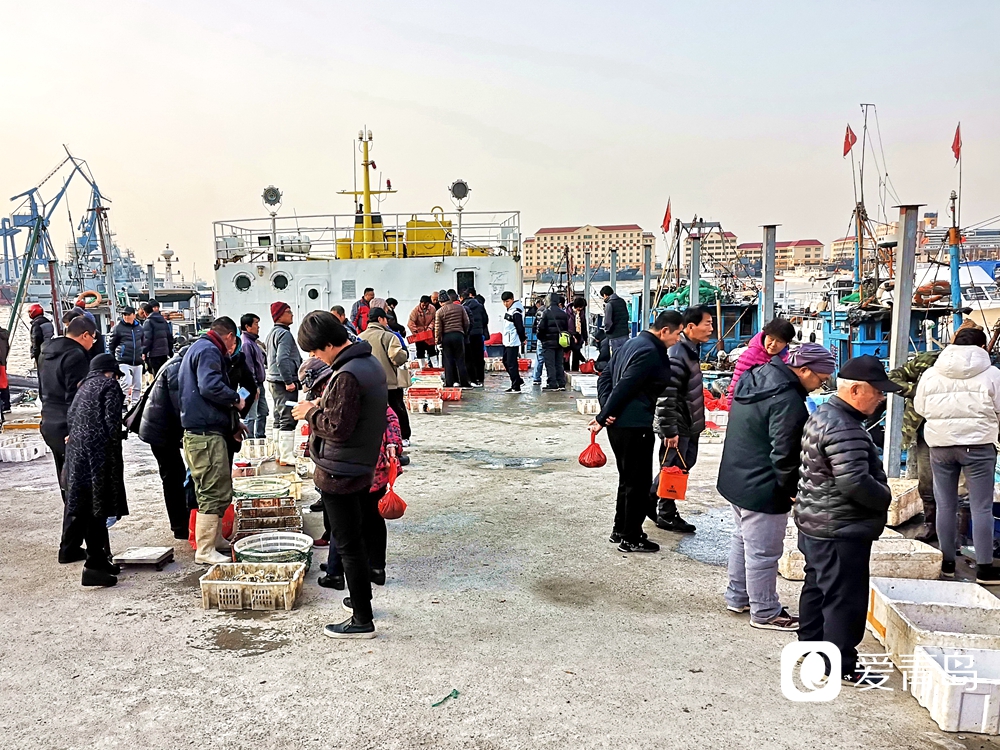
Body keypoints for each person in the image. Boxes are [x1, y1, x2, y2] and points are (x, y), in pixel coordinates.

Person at [795, 355, 901, 686]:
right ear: (856, 390)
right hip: (839, 527)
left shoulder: (824, 414)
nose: (882, 398)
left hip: (816, 522)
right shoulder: (845, 427)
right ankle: (840, 664)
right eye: (878, 392)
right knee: (844, 599)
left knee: (817, 587)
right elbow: (854, 481)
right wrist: (884, 497)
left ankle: (811, 648)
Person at [718, 344, 835, 631]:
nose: (820, 386)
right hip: (762, 483)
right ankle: (766, 611)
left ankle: (738, 596)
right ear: (804, 370)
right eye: (820, 379)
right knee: (764, 552)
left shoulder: (755, 375)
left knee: (743, 540)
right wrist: (790, 488)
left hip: (736, 474)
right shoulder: (788, 399)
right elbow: (783, 452)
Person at [292, 311, 388, 639]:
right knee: (355, 540)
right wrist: (326, 402)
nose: (316, 357)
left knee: (347, 544)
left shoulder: (347, 373)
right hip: (359, 465)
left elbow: (338, 427)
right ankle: (362, 600)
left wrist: (311, 412)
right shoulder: (368, 363)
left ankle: (362, 620)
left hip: (340, 472)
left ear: (331, 344)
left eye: (317, 351)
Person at [591, 311, 683, 552]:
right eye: (677, 334)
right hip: (634, 426)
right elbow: (624, 385)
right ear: (664, 331)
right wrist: (604, 415)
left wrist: (608, 410)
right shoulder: (651, 352)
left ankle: (620, 528)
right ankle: (631, 537)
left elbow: (606, 379)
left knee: (627, 479)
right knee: (639, 483)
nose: (678, 339)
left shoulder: (631, 342)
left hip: (620, 425)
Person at [914, 327, 1000, 584]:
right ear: (983, 347)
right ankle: (985, 569)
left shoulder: (931, 374)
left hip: (941, 446)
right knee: (981, 507)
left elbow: (921, 407)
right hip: (979, 446)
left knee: (946, 504)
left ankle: (948, 563)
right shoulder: (993, 373)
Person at [179, 317, 245, 565]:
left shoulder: (199, 348)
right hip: (204, 435)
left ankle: (215, 539)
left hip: (207, 431)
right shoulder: (208, 350)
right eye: (233, 342)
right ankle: (205, 549)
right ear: (229, 336)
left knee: (218, 488)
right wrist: (234, 397)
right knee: (210, 490)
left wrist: (232, 423)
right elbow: (210, 386)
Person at [64, 354, 129, 587]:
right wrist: (122, 433)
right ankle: (92, 566)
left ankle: (99, 560)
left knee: (90, 508)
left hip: (77, 456)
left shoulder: (83, 387)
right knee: (98, 509)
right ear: (110, 372)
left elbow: (71, 418)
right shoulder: (109, 385)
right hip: (98, 457)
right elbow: (112, 424)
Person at [652, 305, 715, 533]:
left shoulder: (689, 351)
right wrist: (670, 430)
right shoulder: (678, 353)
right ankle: (666, 514)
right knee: (673, 468)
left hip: (688, 422)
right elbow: (666, 394)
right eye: (707, 323)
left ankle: (652, 501)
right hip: (678, 423)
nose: (711, 329)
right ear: (690, 327)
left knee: (681, 465)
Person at [40, 315, 96, 563]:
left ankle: (73, 543)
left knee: (68, 485)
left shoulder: (46, 353)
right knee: (79, 488)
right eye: (92, 338)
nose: (93, 344)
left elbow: (45, 391)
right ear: (84, 335)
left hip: (49, 422)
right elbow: (77, 399)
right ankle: (69, 547)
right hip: (67, 426)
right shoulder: (76, 356)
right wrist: (76, 430)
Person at [888, 347, 942, 542]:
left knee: (961, 489)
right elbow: (893, 376)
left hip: (961, 436)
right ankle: (931, 525)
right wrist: (916, 392)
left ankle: (958, 533)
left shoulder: (981, 368)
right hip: (925, 432)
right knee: (926, 482)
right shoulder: (928, 361)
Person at [137, 345, 192, 539]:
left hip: (162, 428)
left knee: (175, 475)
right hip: (159, 431)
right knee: (173, 477)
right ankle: (180, 526)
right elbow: (180, 406)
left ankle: (182, 522)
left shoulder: (177, 362)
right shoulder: (178, 368)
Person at [360, 307, 411, 443]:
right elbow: (397, 356)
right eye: (385, 319)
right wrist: (404, 355)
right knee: (397, 409)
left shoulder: (360, 338)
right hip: (389, 382)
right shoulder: (388, 336)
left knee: (373, 412)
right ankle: (403, 437)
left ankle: (378, 439)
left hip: (368, 383)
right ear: (380, 319)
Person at [265, 301, 303, 466]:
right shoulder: (284, 334)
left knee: (278, 417)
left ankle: (279, 453)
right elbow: (282, 358)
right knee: (288, 417)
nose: (292, 314)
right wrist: (289, 381)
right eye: (288, 311)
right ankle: (287, 455)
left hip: (273, 381)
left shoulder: (271, 333)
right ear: (279, 315)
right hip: (284, 382)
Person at [726, 317, 795, 405]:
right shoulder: (749, 356)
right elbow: (735, 388)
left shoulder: (787, 359)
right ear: (765, 335)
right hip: (751, 406)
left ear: (786, 343)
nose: (773, 344)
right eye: (771, 339)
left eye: (779, 341)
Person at [240, 313, 269, 439]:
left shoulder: (253, 342)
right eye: (256, 324)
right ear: (247, 326)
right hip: (251, 386)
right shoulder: (246, 344)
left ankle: (260, 437)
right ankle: (249, 443)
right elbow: (248, 368)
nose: (258, 327)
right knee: (250, 416)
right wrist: (254, 386)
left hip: (259, 385)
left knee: (263, 412)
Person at [435, 290, 471, 388]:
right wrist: (463, 332)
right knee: (460, 360)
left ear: (440, 302)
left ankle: (449, 383)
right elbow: (467, 322)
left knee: (448, 361)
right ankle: (464, 383)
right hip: (459, 336)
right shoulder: (460, 308)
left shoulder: (439, 312)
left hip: (446, 337)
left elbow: (438, 328)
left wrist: (437, 341)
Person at [109, 306, 145, 406]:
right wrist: (113, 360)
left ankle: (135, 404)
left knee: (138, 385)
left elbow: (142, 342)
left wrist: (142, 353)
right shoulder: (117, 328)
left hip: (137, 360)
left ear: (134, 315)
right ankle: (123, 403)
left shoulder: (139, 328)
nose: (126, 317)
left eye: (128, 314)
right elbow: (111, 345)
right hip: (123, 359)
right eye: (124, 314)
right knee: (126, 382)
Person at [537, 293, 569, 391]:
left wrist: (541, 338)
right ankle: (561, 383)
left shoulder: (546, 312)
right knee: (559, 363)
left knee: (550, 364)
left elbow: (541, 328)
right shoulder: (563, 313)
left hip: (548, 343)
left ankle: (552, 383)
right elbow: (566, 328)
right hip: (560, 342)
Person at [461, 288, 489, 387]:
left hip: (468, 335)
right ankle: (480, 378)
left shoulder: (463, 307)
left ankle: (471, 378)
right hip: (478, 333)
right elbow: (486, 320)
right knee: (479, 356)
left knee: (469, 357)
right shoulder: (480, 306)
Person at [500, 291, 526, 393]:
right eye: (504, 302)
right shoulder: (510, 310)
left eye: (507, 301)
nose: (505, 303)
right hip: (507, 341)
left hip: (513, 341)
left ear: (512, 299)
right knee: (506, 361)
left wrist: (523, 339)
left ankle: (516, 386)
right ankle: (517, 381)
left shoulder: (516, 312)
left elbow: (520, 327)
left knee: (512, 364)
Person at [142, 300, 175, 375]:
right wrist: (170, 351)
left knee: (156, 375)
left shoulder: (148, 322)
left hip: (154, 353)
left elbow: (147, 339)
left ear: (145, 312)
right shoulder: (163, 320)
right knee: (163, 374)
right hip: (164, 352)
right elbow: (169, 336)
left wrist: (143, 351)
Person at [408, 296, 437, 366]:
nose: (424, 307)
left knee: (432, 350)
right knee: (420, 351)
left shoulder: (433, 309)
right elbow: (410, 323)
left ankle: (435, 366)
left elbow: (435, 319)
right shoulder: (415, 311)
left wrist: (430, 327)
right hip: (419, 334)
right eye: (423, 305)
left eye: (426, 305)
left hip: (429, 334)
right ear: (420, 303)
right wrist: (416, 332)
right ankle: (422, 367)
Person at [29, 304, 55, 383]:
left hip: (41, 352)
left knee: (41, 373)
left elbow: (36, 339)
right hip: (49, 349)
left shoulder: (36, 324)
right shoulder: (48, 322)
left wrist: (34, 353)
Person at [600, 285, 630, 354]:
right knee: (624, 356)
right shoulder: (622, 301)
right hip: (625, 334)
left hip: (615, 336)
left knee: (616, 358)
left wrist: (606, 331)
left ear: (605, 295)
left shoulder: (609, 304)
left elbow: (608, 322)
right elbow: (627, 316)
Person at [567, 297, 588, 371]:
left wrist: (586, 338)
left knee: (576, 354)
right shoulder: (568, 312)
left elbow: (584, 326)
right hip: (569, 335)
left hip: (578, 335)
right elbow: (565, 325)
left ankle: (575, 370)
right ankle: (566, 371)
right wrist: (572, 336)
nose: (581, 309)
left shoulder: (582, 313)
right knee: (567, 353)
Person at [530, 298, 546, 384]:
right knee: (550, 359)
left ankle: (536, 377)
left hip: (540, 338)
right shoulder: (548, 311)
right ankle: (550, 379)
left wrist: (537, 335)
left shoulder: (539, 311)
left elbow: (535, 325)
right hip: (549, 338)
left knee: (539, 358)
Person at [0, 320, 9, 412]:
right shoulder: (4, 335)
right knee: (4, 384)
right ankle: (6, 405)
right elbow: (7, 347)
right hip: (3, 362)